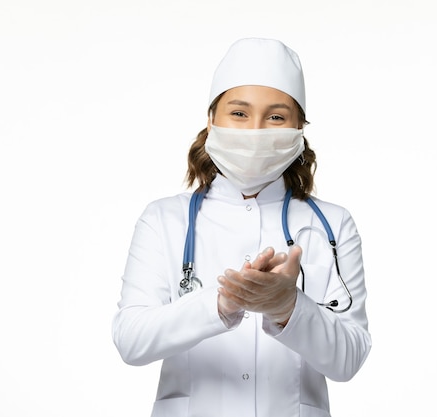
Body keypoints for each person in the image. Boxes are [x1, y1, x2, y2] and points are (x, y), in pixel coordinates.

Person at [112, 37, 371, 417]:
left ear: (299, 128)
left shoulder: (331, 224)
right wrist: (220, 303)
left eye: (276, 117)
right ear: (211, 120)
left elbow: (349, 359)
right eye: (239, 113)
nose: (255, 130)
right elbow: (131, 341)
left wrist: (289, 308)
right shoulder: (164, 219)